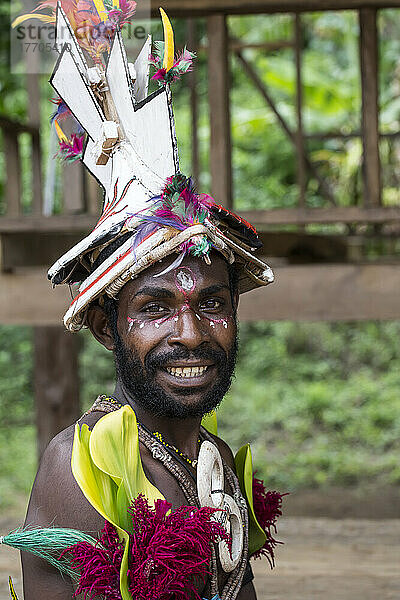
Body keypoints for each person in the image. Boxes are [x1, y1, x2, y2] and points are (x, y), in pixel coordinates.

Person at [3, 3, 283, 599]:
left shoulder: (213, 461)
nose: (190, 333)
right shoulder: (83, 469)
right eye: (155, 308)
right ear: (107, 328)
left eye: (212, 304)